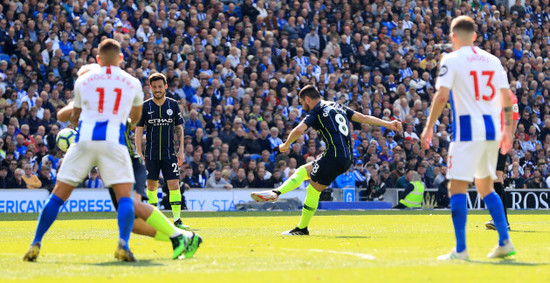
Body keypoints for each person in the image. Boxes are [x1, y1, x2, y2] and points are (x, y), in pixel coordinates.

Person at [51, 65, 201, 260]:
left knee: (136, 205)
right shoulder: (96, 111)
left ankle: (175, 230)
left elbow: (131, 126)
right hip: (127, 160)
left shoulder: (118, 105)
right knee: (135, 220)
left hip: (131, 161)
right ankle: (181, 238)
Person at [24, 39, 143, 262]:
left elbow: (75, 114)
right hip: (113, 140)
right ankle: (123, 245)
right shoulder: (132, 82)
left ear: (98, 59)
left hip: (84, 139)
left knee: (57, 196)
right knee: (125, 196)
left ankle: (35, 243)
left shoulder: (84, 80)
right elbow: (136, 116)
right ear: (120, 59)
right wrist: (127, 124)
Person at [420, 16, 515, 260]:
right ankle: (504, 241)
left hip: (467, 132)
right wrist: (508, 130)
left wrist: (429, 127)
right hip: (492, 132)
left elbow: (442, 97)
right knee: (485, 185)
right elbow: (507, 97)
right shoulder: (493, 60)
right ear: (474, 36)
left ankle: (461, 250)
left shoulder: (451, 59)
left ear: (453, 37)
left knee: (457, 187)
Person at [251, 85, 401, 235]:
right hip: (347, 157)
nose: (303, 106)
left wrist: (285, 145)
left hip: (334, 155)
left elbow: (299, 130)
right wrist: (388, 124)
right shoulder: (337, 106)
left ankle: (279, 197)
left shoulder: (317, 110)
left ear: (307, 99)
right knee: (308, 179)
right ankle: (298, 223)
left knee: (307, 180)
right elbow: (363, 118)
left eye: (302, 102)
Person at [136, 73, 190, 230]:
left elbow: (179, 128)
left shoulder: (173, 105)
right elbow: (139, 129)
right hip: (151, 153)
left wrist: (181, 150)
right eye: (154, 87)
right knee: (151, 187)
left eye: (160, 86)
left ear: (165, 87)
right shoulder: (145, 106)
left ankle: (178, 220)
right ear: (150, 88)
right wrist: (138, 151)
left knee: (174, 185)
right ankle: (155, 220)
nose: (157, 89)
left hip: (169, 153)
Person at [486, 90, 519, 231]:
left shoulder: (494, 93)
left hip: (495, 141)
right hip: (498, 140)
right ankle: (502, 220)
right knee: (497, 179)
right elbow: (515, 118)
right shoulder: (509, 95)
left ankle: (501, 220)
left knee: (495, 178)